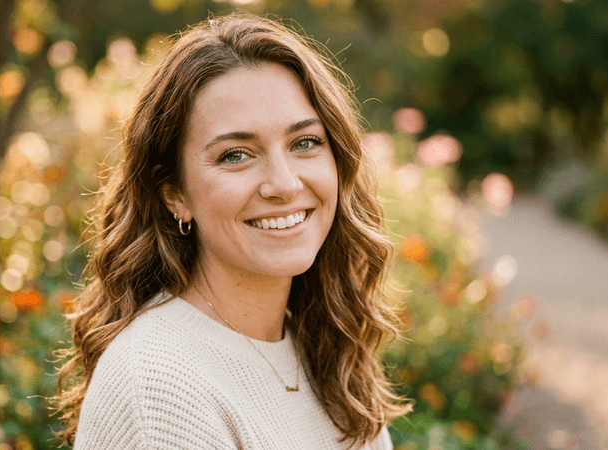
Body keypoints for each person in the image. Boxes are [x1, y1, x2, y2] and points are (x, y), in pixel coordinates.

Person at [52, 13, 412, 450]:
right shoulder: (158, 386)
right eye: (236, 154)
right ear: (175, 194)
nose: (283, 184)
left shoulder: (321, 348)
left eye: (304, 143)